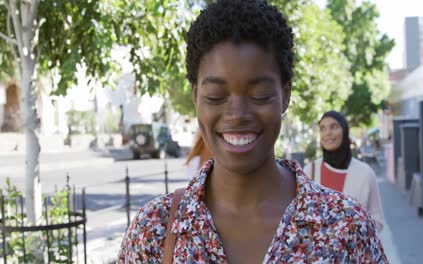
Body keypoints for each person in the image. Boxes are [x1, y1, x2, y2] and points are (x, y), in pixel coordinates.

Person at [118, 1, 387, 263]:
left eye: (259, 95)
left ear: (285, 94)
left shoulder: (346, 229)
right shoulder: (155, 232)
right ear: (196, 96)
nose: (237, 114)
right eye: (215, 96)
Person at [303, 111, 385, 232]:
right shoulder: (310, 171)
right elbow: (301, 216)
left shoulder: (366, 173)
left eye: (334, 127)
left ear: (345, 131)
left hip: (354, 249)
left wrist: (351, 231)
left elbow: (378, 221)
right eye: (322, 128)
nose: (327, 133)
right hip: (317, 251)